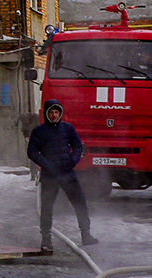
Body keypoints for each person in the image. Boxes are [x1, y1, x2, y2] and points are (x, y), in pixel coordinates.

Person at [26, 100, 98, 253]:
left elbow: (78, 146)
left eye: (57, 112)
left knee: (80, 203)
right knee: (47, 208)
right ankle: (46, 239)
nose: (54, 115)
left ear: (60, 113)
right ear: (47, 113)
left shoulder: (68, 129)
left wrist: (72, 161)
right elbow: (31, 152)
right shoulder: (39, 131)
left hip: (68, 173)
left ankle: (86, 235)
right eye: (51, 112)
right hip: (49, 177)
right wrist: (47, 165)